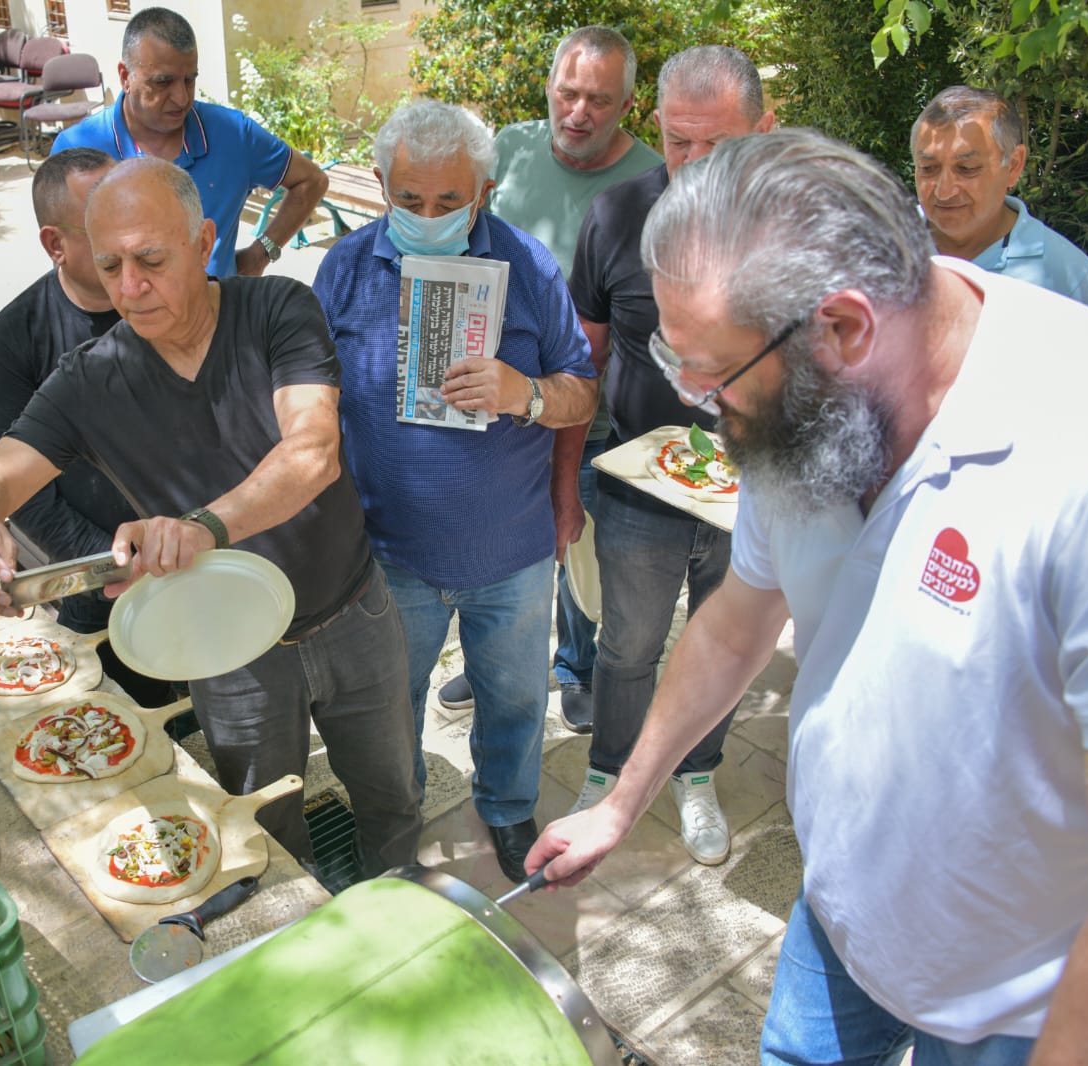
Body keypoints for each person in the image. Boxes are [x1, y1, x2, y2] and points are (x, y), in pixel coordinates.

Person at [529, 127, 1088, 1064]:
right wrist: (623, 799)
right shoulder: (813, 401)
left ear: (846, 328)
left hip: (1019, 1001)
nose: (705, 412)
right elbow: (739, 618)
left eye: (715, 380)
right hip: (842, 914)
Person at [0, 156, 423, 878]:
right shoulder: (91, 377)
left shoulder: (276, 311)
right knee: (262, 829)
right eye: (109, 266)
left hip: (352, 614)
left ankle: (401, 902)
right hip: (228, 650)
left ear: (204, 243)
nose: (130, 288)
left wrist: (201, 527)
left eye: (151, 259)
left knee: (392, 796)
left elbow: (314, 452)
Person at [313, 100, 598, 884]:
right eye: (409, 200)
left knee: (512, 701)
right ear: (379, 185)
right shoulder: (342, 268)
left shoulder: (530, 266)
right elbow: (310, 402)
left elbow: (583, 392)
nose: (429, 216)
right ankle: (392, 826)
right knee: (387, 710)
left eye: (449, 201)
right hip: (386, 553)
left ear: (485, 190)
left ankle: (507, 810)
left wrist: (524, 393)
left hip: (509, 549)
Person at [564, 46, 774, 865]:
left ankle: (698, 774)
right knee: (627, 645)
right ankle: (609, 774)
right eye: (678, 142)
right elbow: (585, 358)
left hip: (752, 490)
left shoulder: (789, 224)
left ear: (764, 129)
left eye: (716, 146)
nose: (692, 165)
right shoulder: (617, 216)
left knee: (729, 644)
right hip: (638, 485)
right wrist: (568, 487)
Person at [450, 26, 664, 727]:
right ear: (548, 88)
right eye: (566, 93)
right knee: (501, 537)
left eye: (597, 100)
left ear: (627, 105)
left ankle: (574, 666)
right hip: (499, 396)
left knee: (575, 533)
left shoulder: (653, 183)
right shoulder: (506, 149)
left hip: (594, 404)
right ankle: (493, 663)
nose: (577, 112)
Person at [0, 148, 172, 707]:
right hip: (99, 576)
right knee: (129, 716)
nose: (129, 241)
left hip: (199, 549)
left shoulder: (172, 303)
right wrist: (115, 566)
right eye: (103, 226)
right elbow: (24, 494)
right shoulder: (15, 339)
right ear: (54, 244)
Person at [50, 6, 327, 279]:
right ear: (125, 77)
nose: (181, 98)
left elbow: (311, 181)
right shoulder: (77, 152)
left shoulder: (233, 135)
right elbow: (67, 259)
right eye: (163, 82)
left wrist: (261, 253)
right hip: (116, 323)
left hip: (219, 319)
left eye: (189, 80)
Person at [912, 85, 1088, 309]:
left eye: (967, 168)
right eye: (928, 168)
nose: (944, 192)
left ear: (1013, 166)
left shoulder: (1068, 278)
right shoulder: (877, 248)